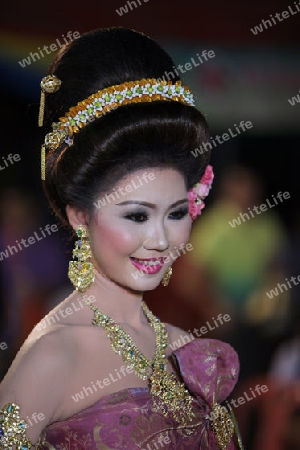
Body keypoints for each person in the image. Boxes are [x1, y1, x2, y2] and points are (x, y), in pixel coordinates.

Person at [0, 27, 242, 449]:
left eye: (177, 213)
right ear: (80, 216)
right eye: (136, 215)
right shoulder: (54, 356)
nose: (162, 240)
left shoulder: (185, 348)